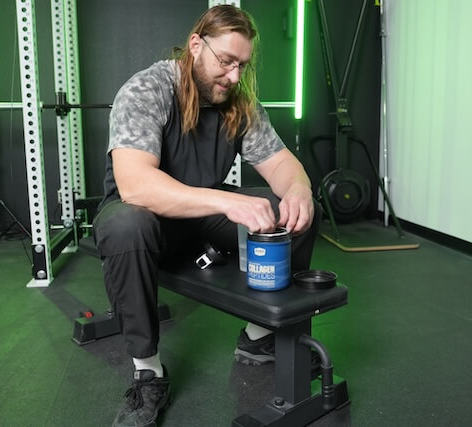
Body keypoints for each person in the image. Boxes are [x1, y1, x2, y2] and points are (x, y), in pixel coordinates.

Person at [92, 5, 320, 426]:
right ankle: (148, 372)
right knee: (128, 222)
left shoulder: (238, 103)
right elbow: (136, 186)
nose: (234, 76)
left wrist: (299, 189)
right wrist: (227, 202)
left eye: (242, 65)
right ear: (196, 45)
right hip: (145, 222)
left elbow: (283, 165)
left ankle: (258, 337)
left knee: (293, 211)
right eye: (226, 62)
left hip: (200, 222)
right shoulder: (148, 89)